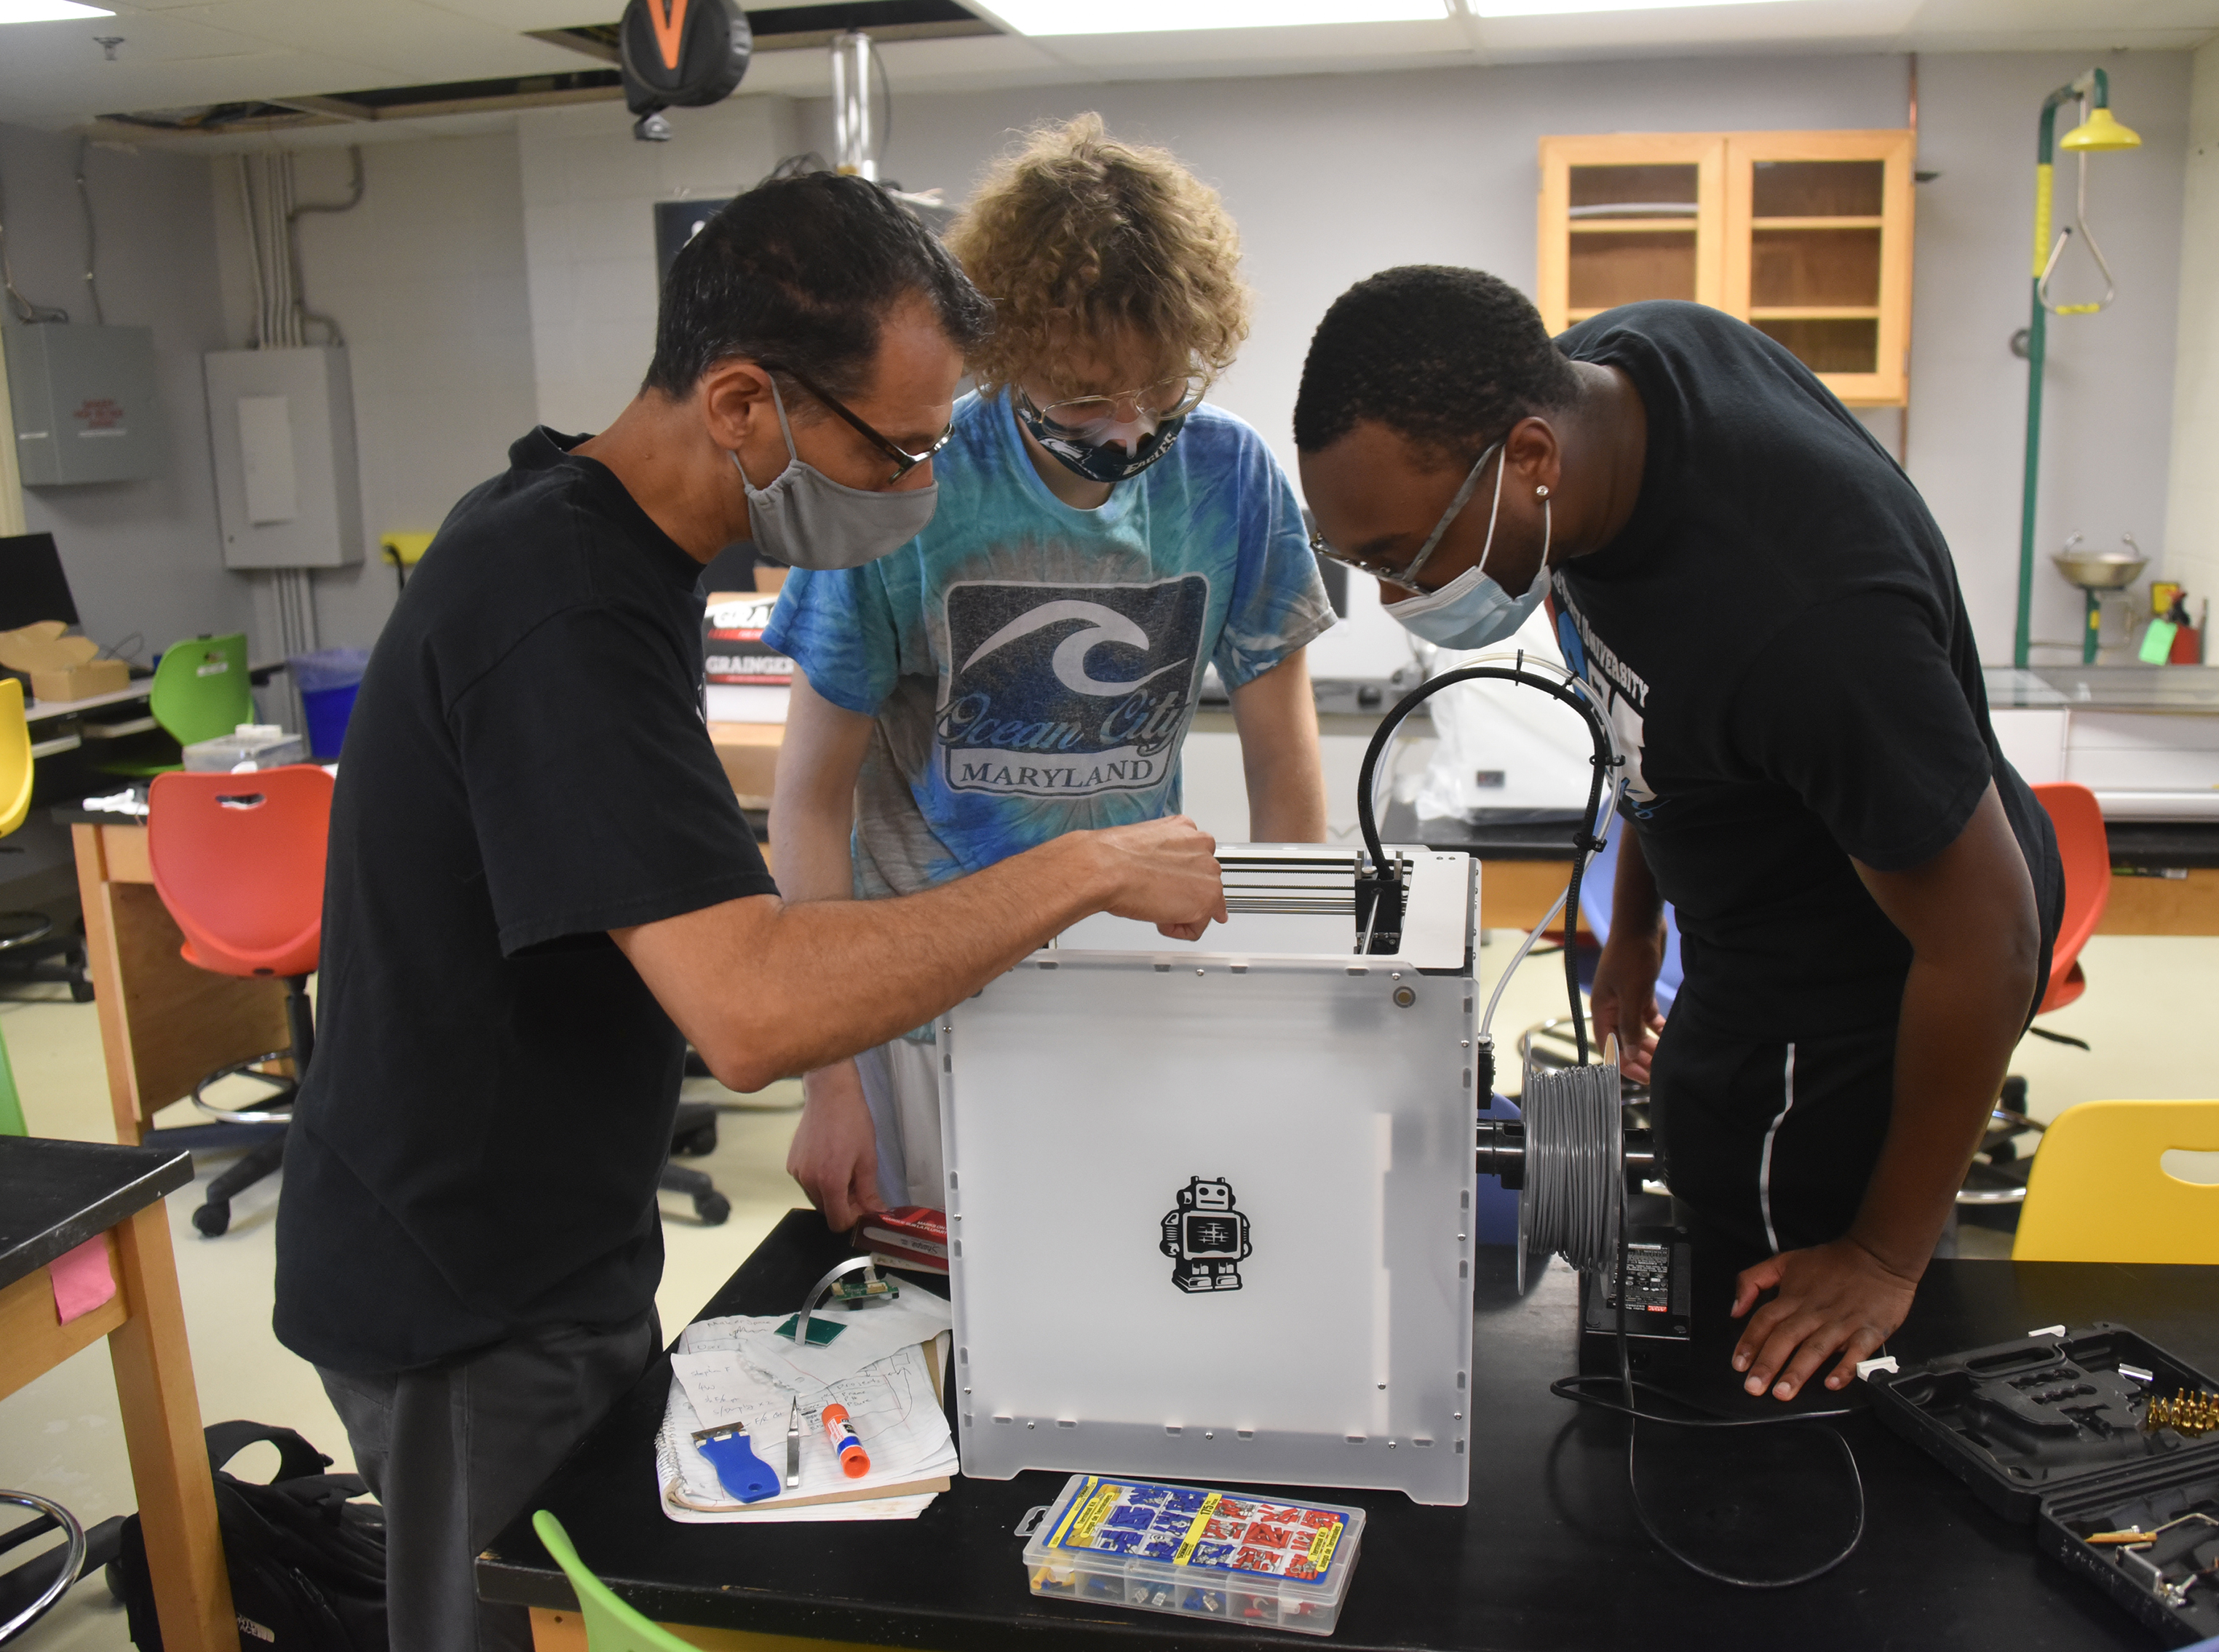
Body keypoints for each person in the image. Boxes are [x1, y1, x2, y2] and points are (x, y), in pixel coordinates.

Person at [272, 172, 1227, 1652]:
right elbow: (750, 1007)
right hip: (460, 1283)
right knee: (515, 1623)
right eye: (899, 450)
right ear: (741, 404)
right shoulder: (558, 602)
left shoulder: (574, 528)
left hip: (542, 1240)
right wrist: (1083, 867)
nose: (919, 487)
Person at [1292, 271, 2063, 1406]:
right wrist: (1636, 920)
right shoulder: (1617, 378)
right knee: (1698, 1144)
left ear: (1533, 457)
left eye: (1405, 553)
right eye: (1366, 564)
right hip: (1769, 896)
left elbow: (1989, 943)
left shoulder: (1810, 617)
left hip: (1883, 965)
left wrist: (1881, 1257)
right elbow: (1650, 691)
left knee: (1775, 1309)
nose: (1400, 595)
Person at [766, 116, 1333, 1227]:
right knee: (953, 1324)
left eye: (1159, 391)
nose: (1126, 433)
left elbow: (1285, 759)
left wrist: (1293, 993)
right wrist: (826, 1077)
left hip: (1133, 983)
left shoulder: (1229, 477)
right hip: (926, 1005)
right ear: (1008, 354)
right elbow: (807, 794)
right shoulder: (910, 489)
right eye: (1083, 398)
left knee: (1130, 1277)